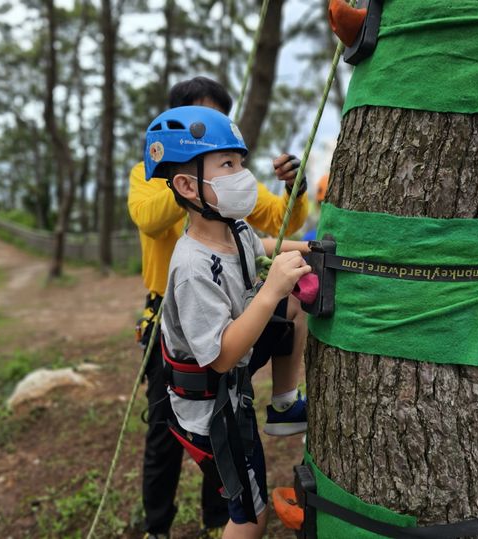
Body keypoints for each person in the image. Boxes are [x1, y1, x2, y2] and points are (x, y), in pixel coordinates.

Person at [127, 77, 309, 539]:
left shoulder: (232, 226)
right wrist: (182, 185)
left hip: (228, 369)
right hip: (204, 383)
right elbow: (221, 354)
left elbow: (269, 228)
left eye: (240, 160)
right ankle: (158, 526)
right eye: (229, 161)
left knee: (294, 301)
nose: (242, 175)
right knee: (241, 504)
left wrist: (310, 240)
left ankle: (284, 403)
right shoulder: (188, 259)